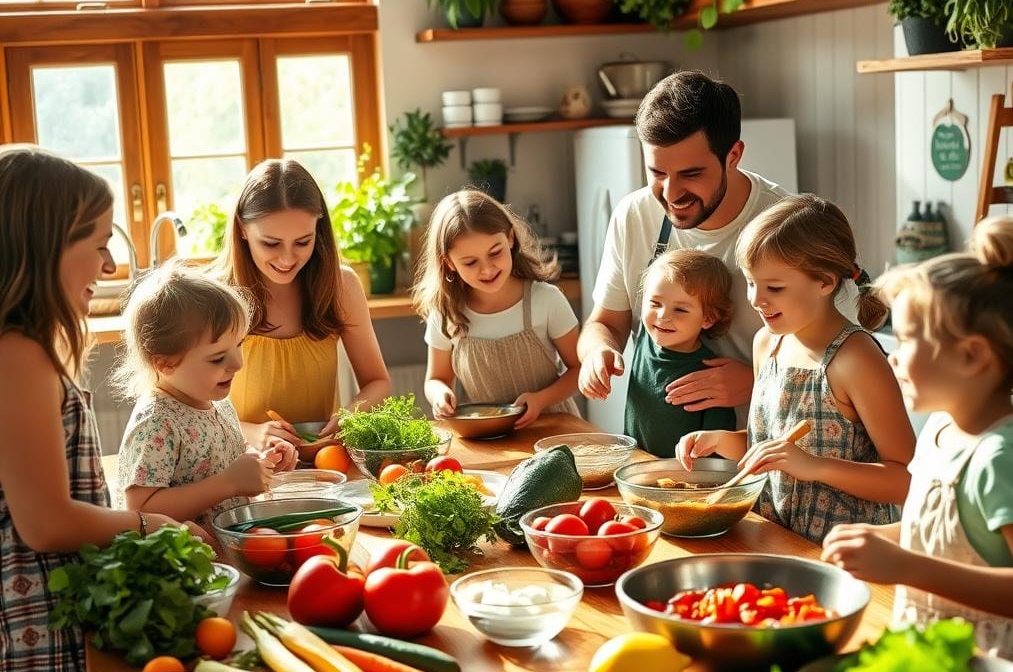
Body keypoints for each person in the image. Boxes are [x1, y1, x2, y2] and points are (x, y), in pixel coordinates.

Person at [0, 145, 186, 672]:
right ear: (46, 244)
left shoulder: (28, 342)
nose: (109, 266)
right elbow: (44, 522)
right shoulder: (16, 351)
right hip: (25, 629)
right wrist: (151, 528)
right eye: (99, 244)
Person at [577, 70, 858, 420]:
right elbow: (604, 322)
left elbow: (841, 359)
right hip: (662, 453)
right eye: (658, 174)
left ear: (733, 156)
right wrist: (596, 352)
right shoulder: (634, 215)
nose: (671, 193)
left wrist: (758, 378)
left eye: (691, 174)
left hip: (764, 447)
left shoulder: (786, 225)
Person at [823, 215, 1013, 662]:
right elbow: (953, 539)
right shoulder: (938, 430)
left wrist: (906, 567)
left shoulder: (1002, 457)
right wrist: (884, 538)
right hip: (931, 659)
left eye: (909, 339)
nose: (893, 356)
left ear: (972, 356)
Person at [677, 195, 915, 544]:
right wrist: (724, 442)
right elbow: (777, 445)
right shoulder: (767, 344)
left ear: (824, 282)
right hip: (773, 540)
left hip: (838, 556)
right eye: (751, 282)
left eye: (774, 287)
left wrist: (815, 467)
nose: (757, 300)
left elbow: (907, 479)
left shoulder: (855, 359)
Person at [216, 159, 390, 450]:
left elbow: (377, 382)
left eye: (303, 242)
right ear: (243, 230)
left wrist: (351, 416)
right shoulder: (215, 296)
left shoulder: (340, 287)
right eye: (271, 243)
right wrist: (249, 433)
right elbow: (186, 408)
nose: (287, 259)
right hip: (240, 465)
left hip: (322, 464)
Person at [114, 263, 296, 531]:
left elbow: (218, 462)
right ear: (165, 363)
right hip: (190, 563)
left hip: (230, 546)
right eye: (218, 358)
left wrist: (262, 461)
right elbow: (141, 510)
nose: (237, 363)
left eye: (239, 345)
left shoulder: (218, 403)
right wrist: (229, 483)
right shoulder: (156, 424)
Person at [414, 189, 581, 429]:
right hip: (487, 436)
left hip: (551, 431)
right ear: (449, 263)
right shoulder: (445, 312)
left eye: (495, 252)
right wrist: (439, 395)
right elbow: (436, 379)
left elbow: (580, 369)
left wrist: (541, 400)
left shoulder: (545, 300)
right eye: (470, 262)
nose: (487, 269)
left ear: (510, 238)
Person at [624, 248, 736, 457]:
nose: (662, 316)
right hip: (635, 470)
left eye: (680, 310)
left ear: (708, 318)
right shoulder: (645, 338)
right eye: (655, 303)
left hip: (684, 484)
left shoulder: (711, 374)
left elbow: (716, 453)